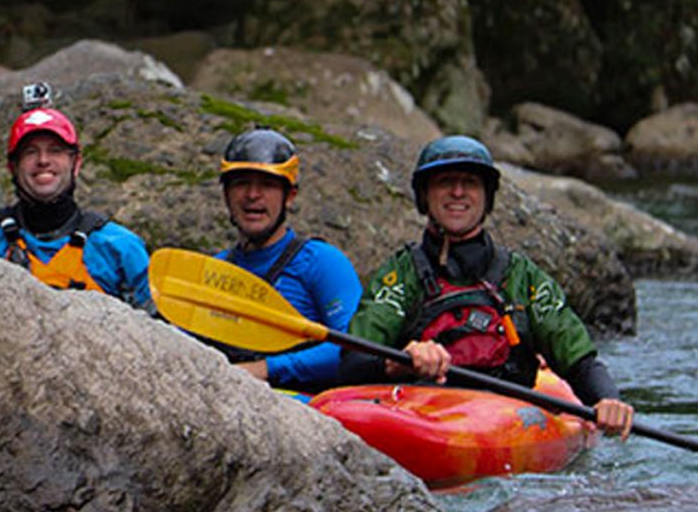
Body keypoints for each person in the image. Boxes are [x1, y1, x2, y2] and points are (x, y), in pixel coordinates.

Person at [337, 135, 635, 439]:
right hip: (421, 412)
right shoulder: (400, 275)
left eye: (469, 182)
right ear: (425, 196)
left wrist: (607, 399)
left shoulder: (523, 277)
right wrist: (396, 363)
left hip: (505, 416)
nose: (457, 192)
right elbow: (352, 364)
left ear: (487, 196)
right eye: (445, 182)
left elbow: (580, 363)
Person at [0, 85, 153, 313]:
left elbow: (161, 330)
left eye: (55, 150)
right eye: (30, 152)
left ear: (76, 164)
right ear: (12, 167)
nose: (43, 160)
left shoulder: (120, 247)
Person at [209, 128, 363, 393]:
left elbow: (354, 349)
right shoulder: (214, 271)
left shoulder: (322, 262)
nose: (252, 195)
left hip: (303, 412)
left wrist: (265, 369)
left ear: (289, 196)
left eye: (267, 184)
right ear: (226, 195)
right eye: (241, 183)